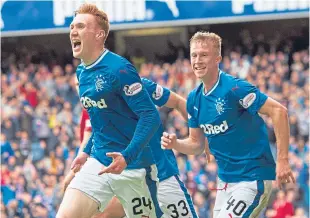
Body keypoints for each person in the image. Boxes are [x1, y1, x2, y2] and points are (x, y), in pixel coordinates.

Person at [161, 31, 296, 218]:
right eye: (194, 55)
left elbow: (279, 111)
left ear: (218, 58)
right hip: (225, 181)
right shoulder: (193, 98)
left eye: (204, 55)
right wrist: (176, 144)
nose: (197, 60)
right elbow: (197, 144)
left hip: (252, 178)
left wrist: (282, 160)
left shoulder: (235, 89)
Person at [57, 3, 163, 218]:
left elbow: (150, 115)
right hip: (98, 162)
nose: (73, 32)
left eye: (80, 26)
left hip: (134, 168)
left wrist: (127, 156)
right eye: (71, 27)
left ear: (99, 34)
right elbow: (101, 121)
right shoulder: (82, 73)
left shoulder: (119, 69)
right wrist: (86, 151)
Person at [64, 77, 199, 218]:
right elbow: (100, 132)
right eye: (77, 85)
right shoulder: (96, 104)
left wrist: (199, 136)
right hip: (131, 179)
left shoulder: (138, 85)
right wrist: (83, 156)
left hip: (162, 173)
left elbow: (177, 101)